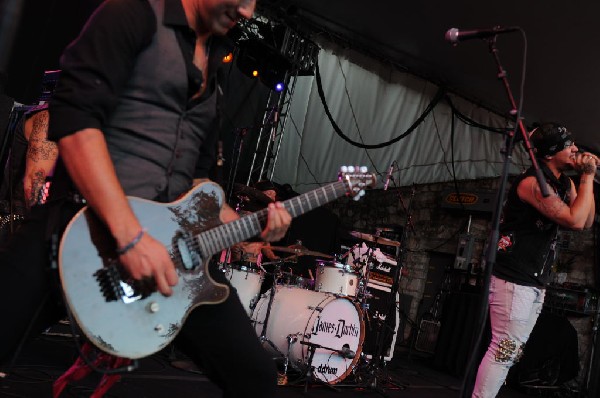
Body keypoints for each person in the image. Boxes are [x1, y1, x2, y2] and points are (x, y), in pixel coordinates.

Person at [0, 1, 292, 397]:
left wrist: (258, 225)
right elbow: (76, 119)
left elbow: (199, 186)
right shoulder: (132, 14)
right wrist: (130, 237)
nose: (246, 11)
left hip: (170, 251)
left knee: (256, 379)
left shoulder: (215, 67)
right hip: (79, 229)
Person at [472, 123, 596, 397]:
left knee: (511, 350)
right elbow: (573, 221)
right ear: (550, 154)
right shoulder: (533, 183)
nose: (575, 148)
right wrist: (587, 177)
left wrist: (584, 179)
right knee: (504, 348)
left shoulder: (564, 183)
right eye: (568, 145)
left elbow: (586, 220)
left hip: (534, 280)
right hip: (514, 278)